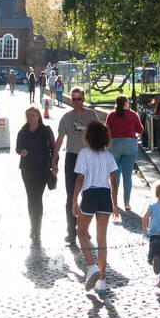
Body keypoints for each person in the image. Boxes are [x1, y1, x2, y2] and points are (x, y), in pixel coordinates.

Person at [71, 119, 119, 295]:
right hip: (105, 195)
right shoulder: (108, 156)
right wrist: (115, 204)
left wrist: (74, 200)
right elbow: (113, 181)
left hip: (90, 194)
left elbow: (80, 179)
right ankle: (102, 280)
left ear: (89, 137)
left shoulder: (84, 153)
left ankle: (91, 266)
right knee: (101, 239)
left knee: (81, 232)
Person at [52, 87, 99, 247]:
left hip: (88, 158)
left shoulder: (91, 115)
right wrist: (54, 159)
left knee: (87, 197)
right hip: (72, 158)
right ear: (71, 100)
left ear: (84, 99)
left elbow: (98, 136)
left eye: (79, 99)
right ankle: (71, 232)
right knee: (71, 197)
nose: (77, 102)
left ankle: (83, 230)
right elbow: (59, 139)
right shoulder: (66, 117)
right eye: (74, 99)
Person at [15, 105, 56, 246]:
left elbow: (53, 148)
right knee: (30, 198)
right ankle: (33, 227)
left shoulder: (45, 131)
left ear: (38, 116)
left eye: (33, 115)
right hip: (27, 170)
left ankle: (37, 231)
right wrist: (22, 151)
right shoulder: (23, 131)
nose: (31, 118)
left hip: (42, 169)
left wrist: (54, 164)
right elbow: (17, 148)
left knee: (37, 199)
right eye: (29, 116)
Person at [105, 95, 145, 212]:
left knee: (115, 175)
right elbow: (141, 130)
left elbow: (107, 131)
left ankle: (114, 202)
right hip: (130, 146)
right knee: (127, 176)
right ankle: (127, 202)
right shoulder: (133, 114)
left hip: (114, 146)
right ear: (126, 103)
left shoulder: (111, 115)